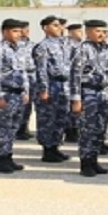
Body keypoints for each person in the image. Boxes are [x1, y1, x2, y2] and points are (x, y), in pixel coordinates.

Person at [70, 20, 108, 178]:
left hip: (105, 94)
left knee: (100, 128)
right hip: (88, 93)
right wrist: (76, 99)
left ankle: (95, 160)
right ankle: (85, 163)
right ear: (88, 32)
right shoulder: (83, 49)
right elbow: (75, 75)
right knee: (87, 129)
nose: (102, 35)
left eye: (105, 32)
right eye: (98, 31)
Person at [0, 19, 31, 174]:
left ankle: (8, 156)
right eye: (14, 31)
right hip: (6, 93)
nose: (18, 34)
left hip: (18, 94)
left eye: (20, 31)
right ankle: (0, 160)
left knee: (13, 128)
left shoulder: (19, 49)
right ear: (4, 32)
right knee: (3, 128)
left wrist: (25, 91)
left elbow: (23, 72)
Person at [32, 15, 72, 163]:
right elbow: (41, 70)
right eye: (55, 25)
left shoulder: (63, 44)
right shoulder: (43, 47)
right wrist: (43, 89)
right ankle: (47, 150)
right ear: (45, 28)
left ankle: (56, 147)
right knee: (47, 119)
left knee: (61, 118)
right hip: (51, 85)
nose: (59, 28)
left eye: (60, 25)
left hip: (63, 85)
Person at [63, 23, 84, 143]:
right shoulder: (68, 46)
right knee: (71, 108)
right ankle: (70, 132)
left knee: (78, 110)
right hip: (70, 82)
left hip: (79, 82)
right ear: (71, 33)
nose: (81, 33)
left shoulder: (81, 45)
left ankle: (75, 130)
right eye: (78, 31)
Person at [15, 21, 36, 141]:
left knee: (29, 104)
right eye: (24, 29)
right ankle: (18, 128)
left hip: (32, 75)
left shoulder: (33, 45)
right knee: (21, 103)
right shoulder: (15, 44)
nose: (27, 31)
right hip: (21, 76)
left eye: (28, 29)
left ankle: (25, 127)